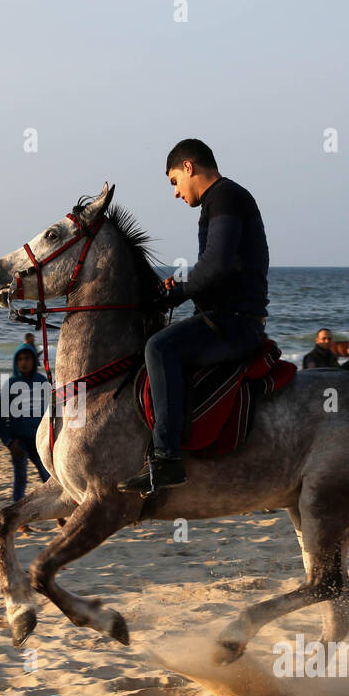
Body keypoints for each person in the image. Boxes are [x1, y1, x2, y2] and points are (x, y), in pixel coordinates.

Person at [120, 138, 269, 495]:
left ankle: (167, 459)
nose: (175, 192)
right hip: (229, 315)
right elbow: (216, 270)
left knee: (158, 349)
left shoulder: (225, 197)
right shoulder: (221, 201)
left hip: (236, 323)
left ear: (189, 167)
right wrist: (184, 287)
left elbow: (215, 268)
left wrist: (178, 292)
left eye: (174, 181)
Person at [0, 343, 51, 502]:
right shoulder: (10, 384)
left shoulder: (43, 382)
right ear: (15, 362)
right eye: (20, 359)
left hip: (40, 440)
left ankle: (59, 517)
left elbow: (51, 413)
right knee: (21, 479)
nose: (24, 362)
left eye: (27, 358)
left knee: (48, 477)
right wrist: (9, 442)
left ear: (34, 360)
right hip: (19, 441)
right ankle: (19, 521)